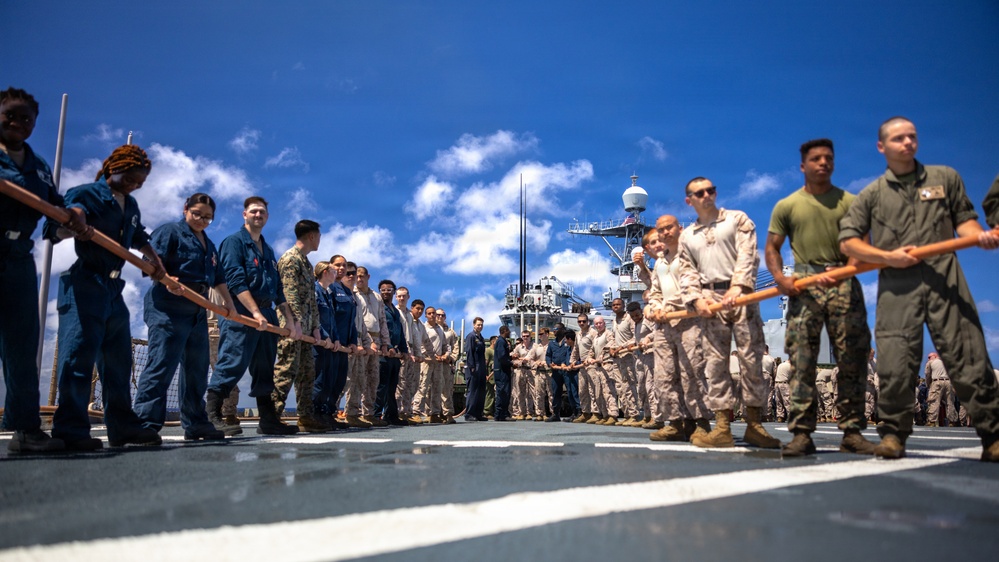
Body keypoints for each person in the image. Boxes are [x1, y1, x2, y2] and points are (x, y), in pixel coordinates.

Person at [839, 116, 999, 461]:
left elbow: (965, 221)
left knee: (968, 356)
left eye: (912, 137)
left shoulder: (945, 178)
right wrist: (886, 256)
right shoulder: (871, 195)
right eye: (898, 139)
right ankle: (894, 435)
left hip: (945, 277)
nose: (907, 143)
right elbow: (850, 243)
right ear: (882, 147)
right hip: (897, 286)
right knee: (896, 363)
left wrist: (979, 237)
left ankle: (993, 435)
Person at [43, 144, 166, 450]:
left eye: (140, 182)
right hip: (85, 282)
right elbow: (53, 228)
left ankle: (122, 426)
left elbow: (140, 240)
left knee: (119, 362)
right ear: (114, 168)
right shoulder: (85, 193)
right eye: (129, 179)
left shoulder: (132, 206)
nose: (134, 185)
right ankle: (70, 428)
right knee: (79, 357)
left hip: (114, 289)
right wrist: (73, 224)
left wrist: (156, 265)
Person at [766, 138, 876, 456]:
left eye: (828, 158)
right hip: (804, 285)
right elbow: (772, 248)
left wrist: (848, 268)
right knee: (801, 362)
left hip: (843, 284)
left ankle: (853, 431)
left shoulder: (850, 202)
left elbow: (862, 244)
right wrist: (780, 279)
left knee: (852, 360)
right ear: (803, 166)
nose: (823, 163)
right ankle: (802, 433)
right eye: (816, 159)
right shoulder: (788, 206)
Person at [1, 87, 90, 452]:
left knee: (22, 347)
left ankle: (26, 430)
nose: (18, 122)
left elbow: (54, 217)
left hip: (19, 257)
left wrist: (73, 219)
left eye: (26, 118)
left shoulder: (37, 167)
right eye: (10, 114)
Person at [676, 177, 780, 449]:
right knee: (716, 363)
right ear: (690, 200)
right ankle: (722, 427)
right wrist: (695, 299)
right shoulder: (687, 236)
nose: (707, 195)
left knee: (751, 358)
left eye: (711, 190)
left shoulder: (737, 219)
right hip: (709, 301)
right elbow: (687, 271)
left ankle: (754, 425)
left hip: (742, 296)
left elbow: (748, 255)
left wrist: (738, 285)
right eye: (700, 192)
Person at [132, 193, 235, 441]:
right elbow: (149, 260)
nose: (201, 220)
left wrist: (230, 305)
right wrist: (165, 279)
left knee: (197, 369)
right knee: (162, 364)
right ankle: (145, 423)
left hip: (198, 309)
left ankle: (196, 422)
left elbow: (218, 277)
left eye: (208, 217)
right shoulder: (170, 232)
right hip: (168, 306)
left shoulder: (208, 245)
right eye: (197, 214)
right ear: (185, 209)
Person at [205, 196, 302, 436]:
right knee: (231, 363)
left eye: (262, 212)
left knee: (264, 368)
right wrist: (255, 312)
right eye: (254, 211)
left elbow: (277, 287)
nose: (258, 215)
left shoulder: (267, 249)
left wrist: (289, 321)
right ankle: (212, 417)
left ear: (267, 217)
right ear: (244, 215)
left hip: (267, 313)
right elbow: (234, 280)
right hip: (242, 311)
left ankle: (267, 419)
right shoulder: (234, 242)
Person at [643, 215, 712, 442]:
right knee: (664, 376)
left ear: (680, 229)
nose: (665, 233)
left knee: (691, 372)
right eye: (661, 230)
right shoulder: (660, 262)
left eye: (669, 227)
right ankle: (675, 423)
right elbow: (655, 292)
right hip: (664, 324)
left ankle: (699, 423)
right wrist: (655, 307)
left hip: (689, 318)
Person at [272, 220, 329, 432]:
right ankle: (273, 415)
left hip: (305, 330)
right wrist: (294, 322)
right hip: (291, 327)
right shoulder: (290, 259)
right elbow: (289, 295)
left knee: (307, 372)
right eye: (319, 236)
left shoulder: (306, 263)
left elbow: (311, 301)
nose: (320, 241)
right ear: (312, 236)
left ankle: (305, 416)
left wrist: (314, 327)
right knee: (286, 369)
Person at [314, 255, 356, 427]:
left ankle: (329, 413)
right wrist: (329, 338)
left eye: (344, 265)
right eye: (337, 265)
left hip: (342, 345)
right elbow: (327, 317)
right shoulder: (327, 289)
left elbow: (351, 320)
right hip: (328, 343)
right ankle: (318, 414)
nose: (341, 268)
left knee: (338, 382)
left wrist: (352, 341)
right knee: (324, 381)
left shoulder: (347, 291)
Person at [349, 266, 389, 427]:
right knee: (356, 378)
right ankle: (352, 412)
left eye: (361, 276)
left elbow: (382, 320)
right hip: (360, 339)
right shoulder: (353, 295)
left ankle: (369, 413)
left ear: (368, 277)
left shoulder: (376, 297)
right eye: (356, 277)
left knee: (373, 379)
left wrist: (385, 343)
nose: (359, 279)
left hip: (376, 339)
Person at [312, 261, 342, 430]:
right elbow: (316, 317)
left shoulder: (328, 293)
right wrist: (325, 336)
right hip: (320, 343)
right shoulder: (315, 291)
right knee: (319, 380)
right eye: (333, 270)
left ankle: (323, 414)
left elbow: (332, 320)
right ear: (324, 272)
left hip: (330, 344)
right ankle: (313, 414)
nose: (336, 272)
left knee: (329, 381)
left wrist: (336, 338)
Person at [375, 279, 408, 425]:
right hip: (384, 352)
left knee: (392, 386)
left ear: (393, 292)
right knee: (381, 386)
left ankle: (391, 415)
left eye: (389, 290)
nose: (386, 292)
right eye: (382, 290)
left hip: (395, 354)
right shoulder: (378, 308)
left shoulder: (395, 311)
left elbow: (399, 331)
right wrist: (386, 346)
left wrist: (404, 350)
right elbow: (380, 328)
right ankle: (375, 415)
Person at [438, 309, 460, 424]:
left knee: (446, 390)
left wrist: (451, 358)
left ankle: (448, 414)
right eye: (438, 315)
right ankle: (433, 413)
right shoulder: (428, 329)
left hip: (446, 364)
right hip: (433, 362)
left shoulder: (450, 332)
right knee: (431, 389)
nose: (440, 317)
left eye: (442, 315)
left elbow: (456, 347)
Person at [462, 316, 487, 421]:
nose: (480, 326)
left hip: (481, 368)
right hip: (474, 368)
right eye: (478, 324)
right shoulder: (471, 337)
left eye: (481, 325)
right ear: (473, 325)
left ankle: (478, 413)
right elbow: (469, 352)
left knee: (481, 391)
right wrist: (471, 366)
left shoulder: (480, 337)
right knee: (472, 391)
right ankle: (469, 414)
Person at [924, 352, 957, 427]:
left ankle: (932, 421)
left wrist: (928, 385)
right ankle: (952, 421)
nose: (928, 358)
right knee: (950, 402)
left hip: (937, 382)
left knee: (934, 401)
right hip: (948, 382)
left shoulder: (931, 362)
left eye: (929, 357)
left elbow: (927, 374)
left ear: (935, 356)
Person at [493, 325, 514, 421]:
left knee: (501, 392)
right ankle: (502, 414)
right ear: (504, 331)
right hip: (502, 371)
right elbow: (502, 358)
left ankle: (499, 414)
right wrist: (512, 363)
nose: (509, 332)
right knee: (504, 392)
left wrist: (511, 358)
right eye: (508, 330)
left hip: (501, 370)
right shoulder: (501, 342)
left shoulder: (500, 341)